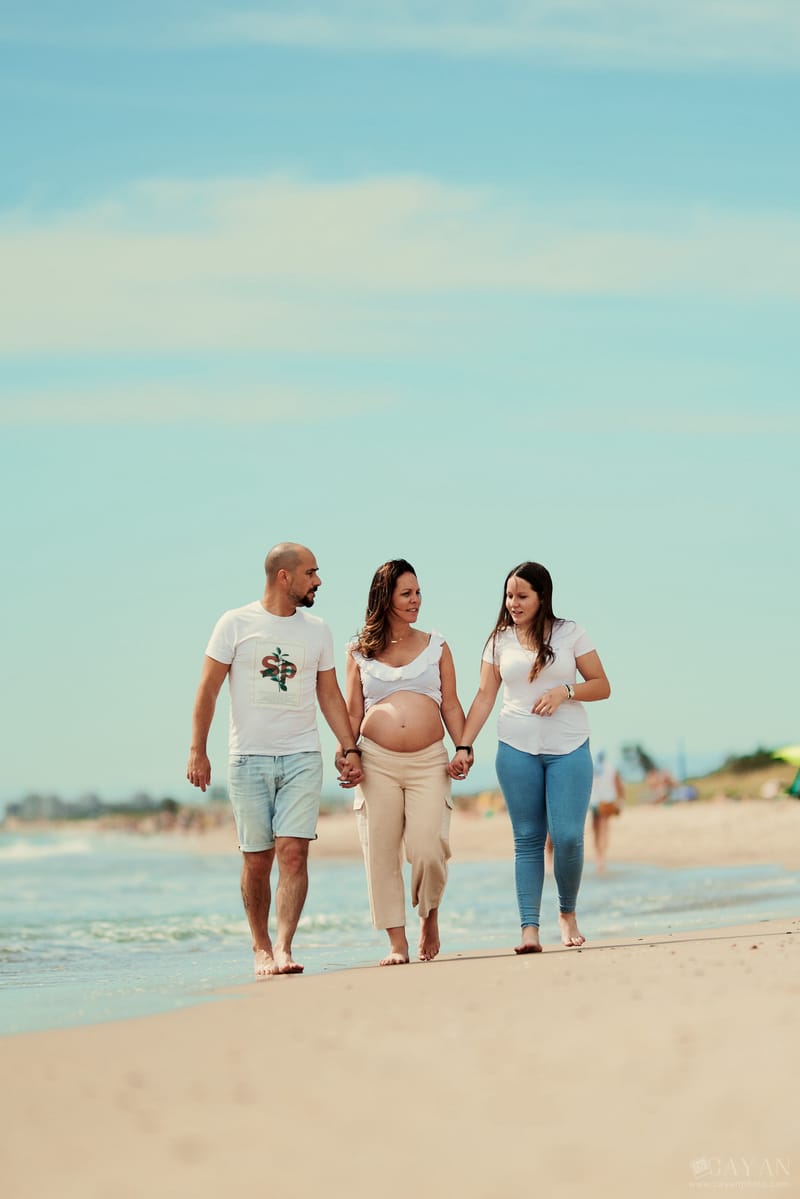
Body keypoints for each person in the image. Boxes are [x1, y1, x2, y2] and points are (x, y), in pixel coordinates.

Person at [186, 542, 364, 977]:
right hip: (247, 758)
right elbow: (208, 689)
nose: (317, 581)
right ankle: (260, 945)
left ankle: (284, 945)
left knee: (293, 854)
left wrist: (349, 745)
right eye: (311, 573)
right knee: (257, 859)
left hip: (302, 755)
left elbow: (328, 693)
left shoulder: (317, 630)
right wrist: (198, 749)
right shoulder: (234, 624)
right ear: (284, 577)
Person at [451, 561, 611, 953]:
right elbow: (485, 696)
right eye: (509, 596)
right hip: (516, 749)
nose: (514, 603)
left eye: (522, 596)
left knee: (569, 838)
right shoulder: (497, 640)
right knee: (527, 839)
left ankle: (567, 913)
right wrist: (464, 744)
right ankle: (529, 929)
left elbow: (602, 685)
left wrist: (565, 692)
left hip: (569, 748)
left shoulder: (570, 633)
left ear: (542, 597)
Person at [338, 559, 469, 966]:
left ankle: (429, 914)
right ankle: (397, 943)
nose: (416, 601)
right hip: (376, 761)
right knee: (380, 852)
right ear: (386, 598)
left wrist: (464, 747)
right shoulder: (359, 651)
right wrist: (348, 754)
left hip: (429, 760)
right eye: (406, 594)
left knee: (429, 848)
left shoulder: (437, 645)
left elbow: (450, 702)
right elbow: (352, 710)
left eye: (418, 593)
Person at [588, 750, 625, 873]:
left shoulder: (592, 768)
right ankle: (601, 858)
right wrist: (620, 801)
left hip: (595, 802)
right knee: (604, 829)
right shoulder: (610, 768)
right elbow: (619, 786)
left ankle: (599, 857)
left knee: (596, 830)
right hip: (607, 801)